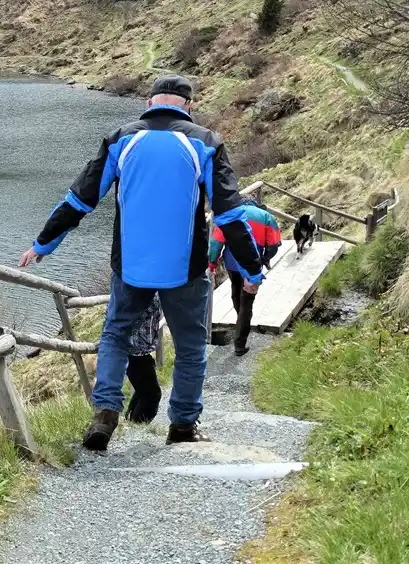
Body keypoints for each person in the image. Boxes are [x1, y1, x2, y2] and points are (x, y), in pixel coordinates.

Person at [18, 74, 266, 450]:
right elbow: (230, 215)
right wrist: (251, 270)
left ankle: (105, 415)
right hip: (186, 270)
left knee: (115, 336)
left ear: (149, 103)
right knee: (191, 346)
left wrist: (43, 244)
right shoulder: (206, 142)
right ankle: (182, 426)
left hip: (130, 269)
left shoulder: (122, 139)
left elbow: (79, 200)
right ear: (189, 105)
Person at [208, 194, 281, 356]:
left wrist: (212, 263)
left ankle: (241, 321)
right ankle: (240, 343)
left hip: (232, 265)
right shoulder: (266, 217)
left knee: (236, 291)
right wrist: (264, 259)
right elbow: (274, 245)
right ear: (255, 203)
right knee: (247, 302)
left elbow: (215, 244)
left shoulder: (230, 215)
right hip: (252, 267)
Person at [125, 296, 163, 424]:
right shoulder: (139, 286)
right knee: (152, 395)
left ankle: (130, 420)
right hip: (135, 349)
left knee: (143, 391)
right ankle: (136, 427)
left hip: (138, 350)